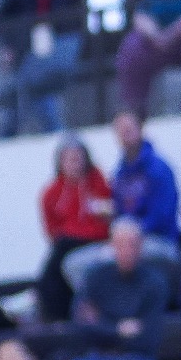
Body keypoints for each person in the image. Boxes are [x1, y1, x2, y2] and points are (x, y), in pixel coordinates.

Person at [54, 219, 168, 360]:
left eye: (132, 244)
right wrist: (118, 329)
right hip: (98, 355)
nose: (126, 250)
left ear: (141, 245)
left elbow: (148, 337)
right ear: (111, 245)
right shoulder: (96, 277)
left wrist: (102, 325)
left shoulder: (154, 282)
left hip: (135, 358)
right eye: (120, 244)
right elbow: (81, 326)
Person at [65, 111, 181, 290]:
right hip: (124, 244)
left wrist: (130, 235)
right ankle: (104, 307)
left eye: (128, 130)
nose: (124, 135)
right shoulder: (120, 174)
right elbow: (120, 213)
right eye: (120, 131)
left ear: (140, 129)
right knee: (74, 263)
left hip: (157, 242)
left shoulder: (160, 169)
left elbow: (162, 215)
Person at [0, 0, 83, 137]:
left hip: (51, 52)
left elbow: (69, 19)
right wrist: (6, 47)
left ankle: (16, 137)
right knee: (31, 95)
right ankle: (53, 134)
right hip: (25, 52)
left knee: (34, 95)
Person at [38, 135, 114, 322]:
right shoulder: (51, 193)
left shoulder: (98, 182)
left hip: (95, 238)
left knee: (55, 262)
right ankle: (58, 315)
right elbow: (51, 228)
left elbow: (107, 215)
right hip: (66, 242)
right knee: (59, 264)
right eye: (69, 158)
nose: (74, 163)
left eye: (78, 157)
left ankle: (44, 304)